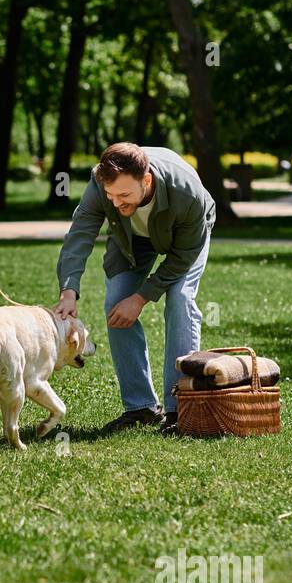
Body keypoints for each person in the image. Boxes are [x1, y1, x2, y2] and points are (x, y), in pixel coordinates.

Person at [54, 142, 215, 435]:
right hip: (131, 242)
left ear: (147, 180)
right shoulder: (101, 181)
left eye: (125, 195)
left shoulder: (187, 192)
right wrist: (69, 290)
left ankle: (179, 409)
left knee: (179, 299)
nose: (116, 204)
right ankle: (141, 407)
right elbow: (81, 233)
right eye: (111, 196)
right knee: (115, 302)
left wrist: (141, 298)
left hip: (183, 241)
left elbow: (182, 258)